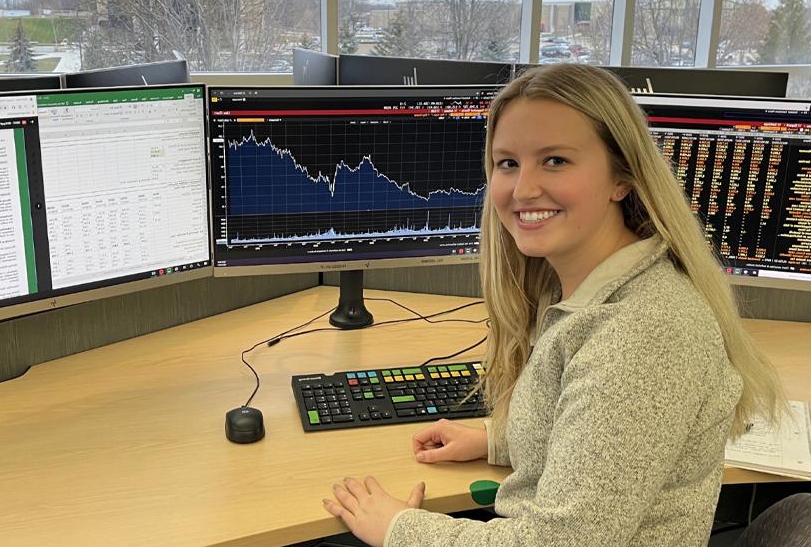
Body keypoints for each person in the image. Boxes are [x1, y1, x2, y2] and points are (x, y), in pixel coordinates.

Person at [322, 63, 785, 546]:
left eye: (555, 161)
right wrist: (498, 439)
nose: (523, 190)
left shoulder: (645, 333)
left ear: (621, 178)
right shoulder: (580, 288)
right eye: (508, 163)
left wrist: (402, 531)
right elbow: (601, 448)